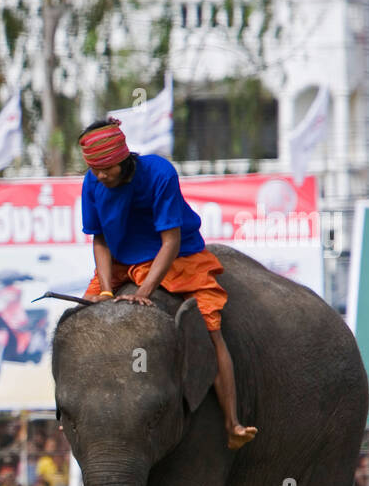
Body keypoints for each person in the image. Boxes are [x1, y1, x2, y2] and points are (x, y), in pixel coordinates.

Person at [78, 117, 256, 449]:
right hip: (118, 264)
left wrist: (143, 293)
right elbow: (99, 239)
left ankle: (233, 423)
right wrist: (103, 289)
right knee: (81, 323)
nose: (99, 176)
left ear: (121, 156)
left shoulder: (159, 173)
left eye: (105, 169)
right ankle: (75, 415)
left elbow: (170, 241)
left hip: (176, 258)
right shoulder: (92, 182)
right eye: (93, 169)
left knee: (209, 327)